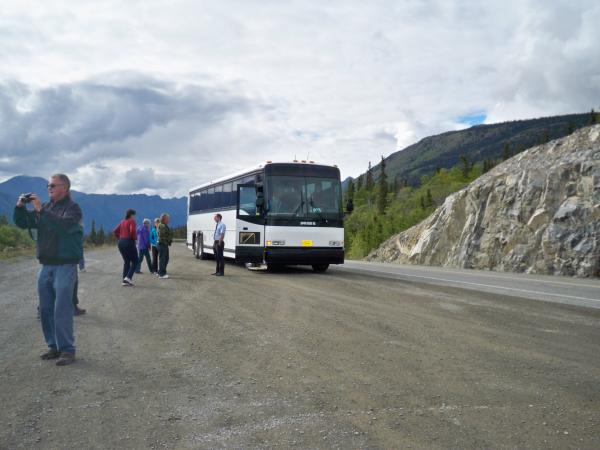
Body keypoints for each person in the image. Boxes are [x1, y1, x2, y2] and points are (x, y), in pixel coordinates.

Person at [13, 173, 83, 366]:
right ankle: (54, 346)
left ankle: (67, 350)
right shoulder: (46, 207)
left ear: (65, 188)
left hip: (65, 264)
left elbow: (63, 226)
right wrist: (20, 207)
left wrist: (41, 211)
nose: (49, 188)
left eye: (53, 185)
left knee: (61, 307)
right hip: (46, 264)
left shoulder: (73, 209)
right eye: (48, 186)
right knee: (45, 309)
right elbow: (22, 223)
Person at [113, 209, 138, 286]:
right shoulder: (131, 221)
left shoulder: (122, 221)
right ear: (132, 215)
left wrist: (120, 238)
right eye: (134, 215)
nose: (134, 217)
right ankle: (128, 277)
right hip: (129, 242)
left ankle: (124, 281)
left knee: (127, 261)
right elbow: (132, 230)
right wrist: (134, 239)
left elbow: (114, 231)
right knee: (135, 261)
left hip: (120, 243)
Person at [157, 213, 173, 279]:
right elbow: (162, 235)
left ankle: (160, 272)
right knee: (163, 259)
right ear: (164, 219)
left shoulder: (164, 225)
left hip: (164, 244)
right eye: (167, 218)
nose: (168, 220)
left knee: (165, 259)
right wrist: (168, 240)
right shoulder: (162, 225)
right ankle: (162, 274)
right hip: (162, 244)